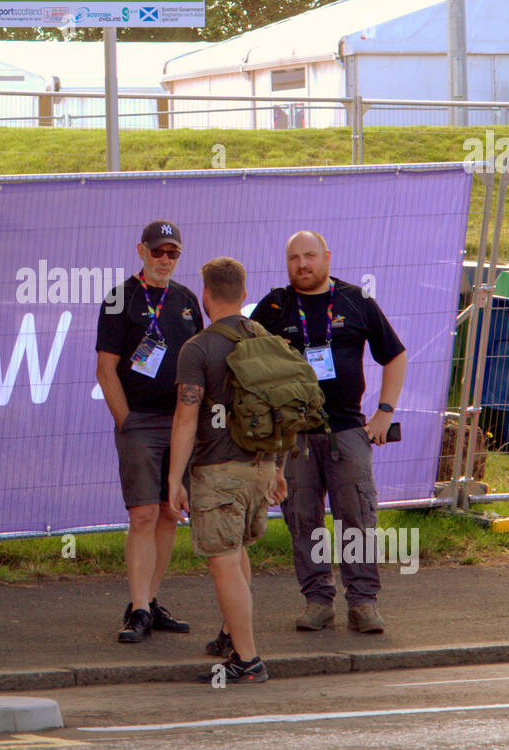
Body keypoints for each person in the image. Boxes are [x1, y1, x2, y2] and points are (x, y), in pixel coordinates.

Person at [250, 231, 407, 634]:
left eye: (310, 256)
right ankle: (318, 600)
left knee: (356, 517)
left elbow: (394, 355)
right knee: (303, 520)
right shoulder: (273, 306)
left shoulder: (356, 300)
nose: (302, 265)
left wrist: (384, 413)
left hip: (348, 432)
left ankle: (363, 603)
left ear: (327, 257)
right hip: (293, 439)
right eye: (294, 258)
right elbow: (246, 360)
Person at [169, 258, 287, 684]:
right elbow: (286, 408)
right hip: (261, 466)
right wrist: (277, 467)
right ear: (242, 292)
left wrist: (173, 479)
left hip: (217, 471)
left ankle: (248, 659)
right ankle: (232, 638)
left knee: (222, 559)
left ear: (205, 295)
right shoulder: (267, 339)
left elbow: (185, 419)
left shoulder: (198, 348)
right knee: (237, 554)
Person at [96, 220, 202, 643]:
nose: (164, 260)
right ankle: (137, 608)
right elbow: (106, 370)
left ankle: (152, 602)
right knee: (141, 514)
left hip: (180, 423)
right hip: (139, 420)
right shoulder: (121, 297)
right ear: (141, 250)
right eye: (157, 251)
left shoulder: (187, 300)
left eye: (172, 253)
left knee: (167, 513)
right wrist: (127, 421)